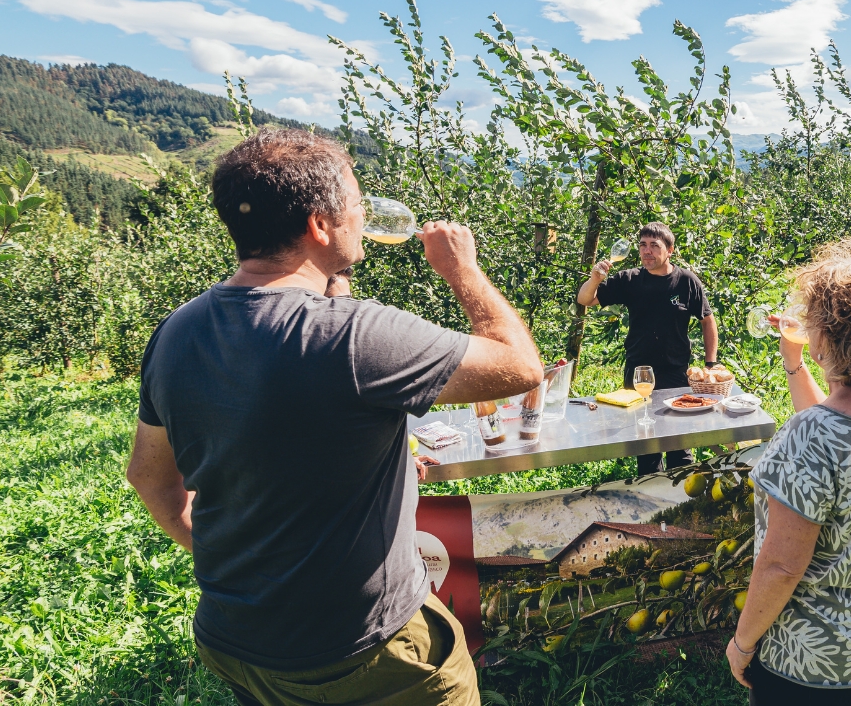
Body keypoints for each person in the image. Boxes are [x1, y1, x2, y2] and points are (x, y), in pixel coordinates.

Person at [126, 129, 543, 706]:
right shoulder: (357, 337)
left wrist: (233, 563)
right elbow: (519, 366)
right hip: (366, 653)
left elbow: (151, 477)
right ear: (320, 225)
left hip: (238, 641)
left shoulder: (177, 332)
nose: (363, 215)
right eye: (356, 203)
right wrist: (462, 272)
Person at [726, 240, 851, 706]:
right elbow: (835, 431)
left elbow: (781, 565)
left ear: (827, 335)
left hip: (815, 659)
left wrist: (742, 643)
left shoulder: (810, 435)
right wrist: (794, 364)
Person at [577, 222, 720, 474]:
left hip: (677, 374)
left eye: (654, 245)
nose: (647, 251)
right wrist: (595, 279)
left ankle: (681, 503)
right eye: (643, 245)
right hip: (639, 374)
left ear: (670, 250)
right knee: (646, 448)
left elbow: (707, 320)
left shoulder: (686, 282)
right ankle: (653, 506)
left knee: (680, 448)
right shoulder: (629, 279)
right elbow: (585, 299)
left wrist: (710, 363)